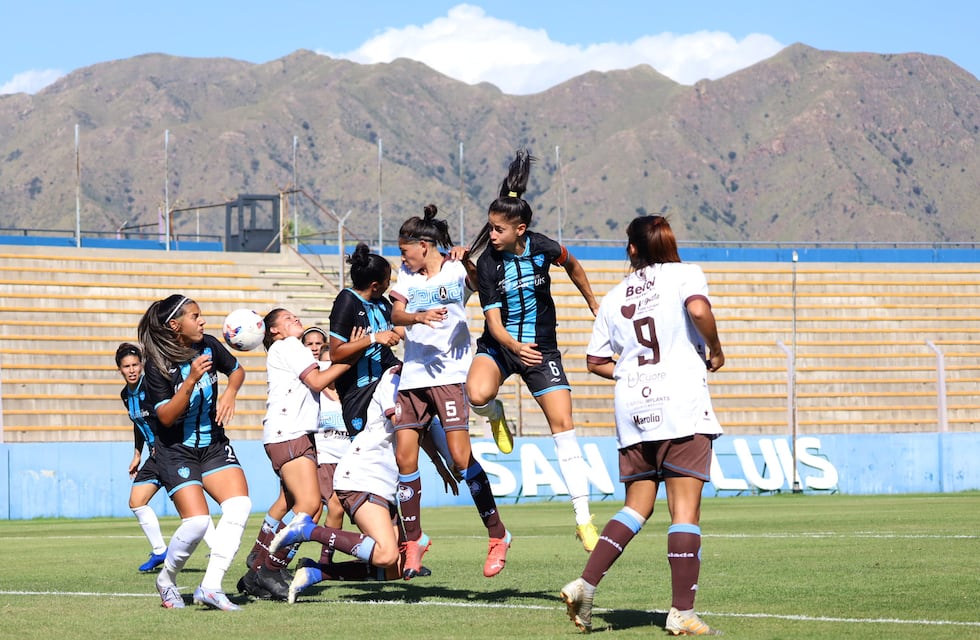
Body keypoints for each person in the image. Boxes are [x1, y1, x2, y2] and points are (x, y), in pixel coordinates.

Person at [559, 215, 725, 636]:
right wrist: (715, 348)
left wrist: (631, 374)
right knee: (684, 510)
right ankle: (681, 612)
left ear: (632, 248)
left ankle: (586, 583)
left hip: (633, 407)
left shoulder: (614, 296)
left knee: (637, 506)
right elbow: (699, 309)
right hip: (681, 405)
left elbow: (595, 361)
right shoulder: (685, 273)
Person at [466, 148, 600, 552]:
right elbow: (492, 323)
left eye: (497, 230)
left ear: (520, 229)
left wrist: (593, 303)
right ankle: (496, 415)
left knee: (564, 427)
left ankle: (584, 520)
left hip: (542, 349)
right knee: (476, 394)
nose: (490, 235)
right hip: (502, 345)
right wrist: (513, 348)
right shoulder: (489, 264)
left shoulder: (542, 246)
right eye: (490, 228)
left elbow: (573, 265)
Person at [389, 204, 511, 578]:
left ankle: (498, 534)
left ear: (424, 244)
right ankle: (413, 543)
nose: (402, 255)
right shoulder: (406, 277)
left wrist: (468, 261)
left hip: (450, 377)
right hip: (412, 378)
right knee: (405, 462)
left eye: (405, 248)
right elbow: (396, 315)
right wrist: (418, 317)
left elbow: (483, 282)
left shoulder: (458, 269)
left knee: (461, 459)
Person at [270, 366, 457, 603]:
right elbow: (403, 426)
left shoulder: (419, 387)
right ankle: (307, 530)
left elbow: (420, 429)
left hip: (383, 483)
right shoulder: (394, 378)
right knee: (386, 554)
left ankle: (317, 572)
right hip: (363, 475)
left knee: (396, 567)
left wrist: (440, 463)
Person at [238, 310, 374, 601]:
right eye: (287, 318)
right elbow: (317, 381)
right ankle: (266, 570)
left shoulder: (288, 348)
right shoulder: (287, 346)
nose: (295, 317)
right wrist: (360, 349)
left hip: (292, 433)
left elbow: (324, 368)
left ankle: (261, 564)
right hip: (289, 433)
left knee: (297, 504)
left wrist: (353, 351)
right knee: (310, 505)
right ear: (273, 331)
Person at [138, 294, 251, 611]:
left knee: (240, 505)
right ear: (175, 325)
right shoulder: (157, 366)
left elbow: (238, 370)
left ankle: (211, 587)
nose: (202, 321)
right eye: (195, 316)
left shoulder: (210, 345)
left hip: (213, 444)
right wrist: (189, 380)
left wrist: (230, 391)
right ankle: (166, 580)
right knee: (198, 523)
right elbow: (166, 417)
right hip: (176, 451)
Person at [116, 342, 169, 572]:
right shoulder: (125, 395)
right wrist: (137, 454)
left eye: (135, 364)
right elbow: (138, 423)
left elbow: (167, 415)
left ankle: (218, 548)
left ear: (142, 365)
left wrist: (162, 443)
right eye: (126, 366)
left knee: (187, 504)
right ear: (119, 369)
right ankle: (160, 552)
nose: (132, 370)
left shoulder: (152, 385)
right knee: (136, 501)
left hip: (170, 451)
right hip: (154, 455)